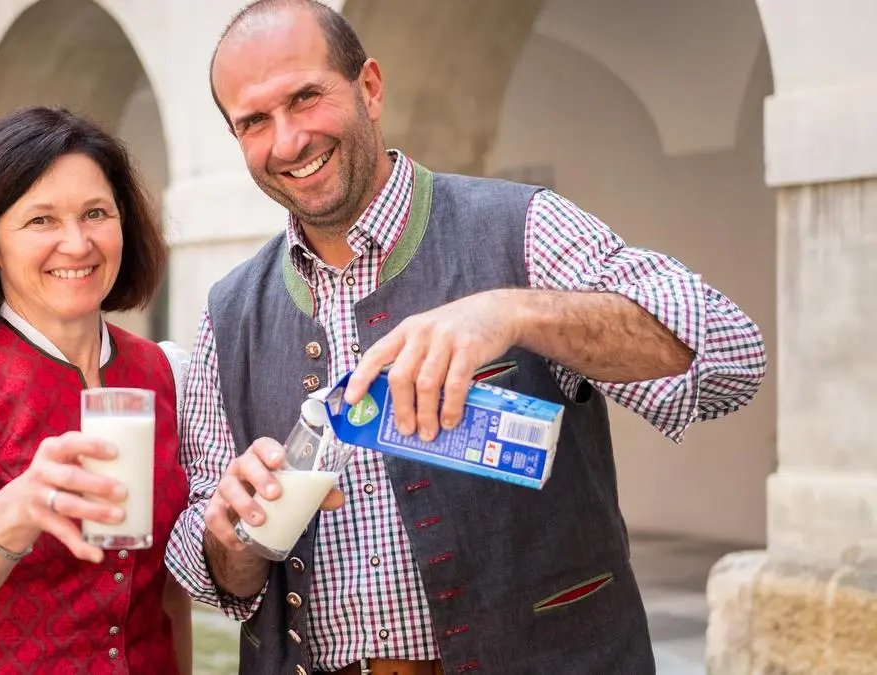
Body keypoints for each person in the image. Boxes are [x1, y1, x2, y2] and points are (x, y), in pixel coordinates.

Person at [164, 1, 767, 674]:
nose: (287, 141)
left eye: (305, 98)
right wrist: (231, 532)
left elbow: (730, 356)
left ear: (369, 88)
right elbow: (205, 569)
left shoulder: (522, 227)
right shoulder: (229, 311)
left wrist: (518, 312)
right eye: (254, 121)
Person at [0, 106, 192, 675]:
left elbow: (168, 594)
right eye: (41, 221)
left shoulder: (169, 372)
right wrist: (16, 508)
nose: (77, 244)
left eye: (96, 213)